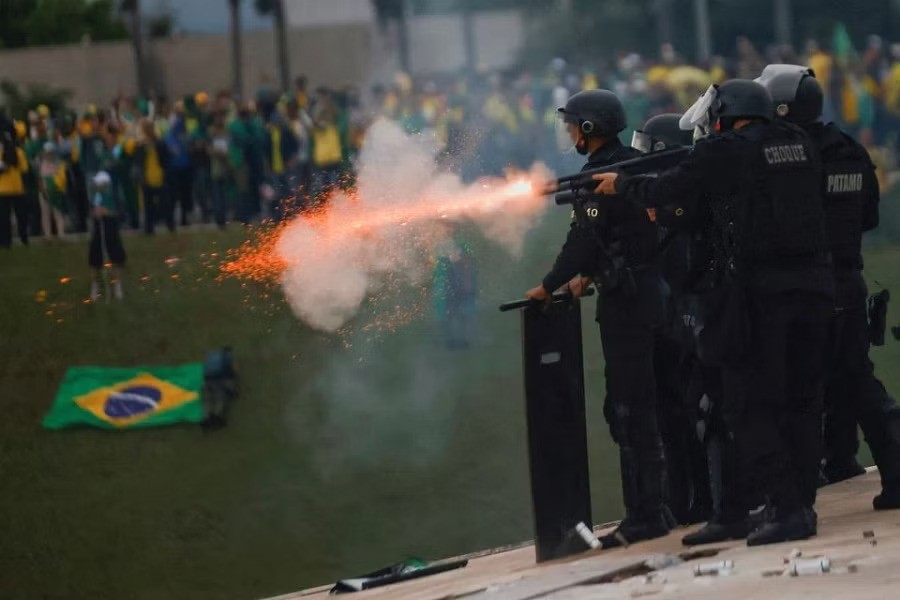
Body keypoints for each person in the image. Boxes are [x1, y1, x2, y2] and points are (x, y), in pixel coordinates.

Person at [594, 79, 833, 546]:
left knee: (745, 404)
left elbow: (669, 188)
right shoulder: (797, 142)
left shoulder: (724, 149)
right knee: (801, 403)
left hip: (761, 295)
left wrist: (623, 185)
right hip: (814, 288)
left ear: (730, 114)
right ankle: (796, 504)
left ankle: (787, 509)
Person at [526, 89, 672, 548]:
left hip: (627, 304)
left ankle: (646, 516)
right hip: (654, 294)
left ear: (590, 128)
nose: (569, 131)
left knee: (629, 410)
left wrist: (548, 284)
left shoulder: (600, 176)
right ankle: (662, 507)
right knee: (653, 405)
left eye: (574, 124)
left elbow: (583, 241)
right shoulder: (631, 162)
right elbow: (621, 234)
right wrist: (587, 273)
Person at [758, 64, 900, 510]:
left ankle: (792, 498)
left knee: (798, 390)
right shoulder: (852, 150)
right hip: (849, 280)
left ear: (782, 109)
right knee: (857, 380)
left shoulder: (788, 155)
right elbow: (870, 218)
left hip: (808, 284)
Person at [633, 114, 715, 529]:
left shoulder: (682, 205)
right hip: (677, 319)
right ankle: (687, 501)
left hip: (687, 322)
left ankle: (703, 500)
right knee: (676, 418)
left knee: (692, 415)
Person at [88, 171, 126, 301]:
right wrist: (95, 213)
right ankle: (95, 285)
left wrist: (107, 212)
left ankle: (117, 285)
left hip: (112, 231)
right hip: (99, 231)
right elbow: (91, 212)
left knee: (117, 259)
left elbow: (121, 215)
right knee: (95, 260)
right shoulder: (96, 196)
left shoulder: (115, 195)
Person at [135, 119, 172, 234]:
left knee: (165, 204)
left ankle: (170, 225)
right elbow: (139, 162)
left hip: (160, 177)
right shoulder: (141, 146)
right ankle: (149, 229)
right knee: (148, 206)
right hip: (147, 179)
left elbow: (166, 159)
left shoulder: (159, 143)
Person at [0, 115, 30, 248]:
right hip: (15, 188)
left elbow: (23, 168)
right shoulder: (18, 152)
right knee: (17, 217)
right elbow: (24, 169)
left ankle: (7, 242)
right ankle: (22, 239)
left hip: (6, 189)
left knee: (6, 218)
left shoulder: (16, 152)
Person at [37, 141, 69, 240]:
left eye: (51, 152)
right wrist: (42, 190)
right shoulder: (40, 162)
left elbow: (62, 178)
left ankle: (61, 233)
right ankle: (47, 235)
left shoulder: (59, 162)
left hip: (56, 190)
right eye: (47, 152)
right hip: (44, 189)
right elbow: (39, 178)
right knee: (45, 213)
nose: (49, 154)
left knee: (58, 212)